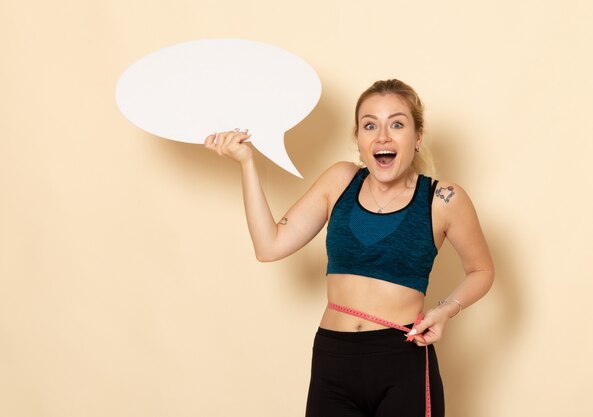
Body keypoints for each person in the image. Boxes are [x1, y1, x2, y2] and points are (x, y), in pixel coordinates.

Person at [203, 79, 494, 417]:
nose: (382, 136)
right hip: (334, 360)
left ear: (417, 136)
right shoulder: (339, 181)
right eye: (369, 125)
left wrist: (445, 310)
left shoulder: (442, 199)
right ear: (358, 138)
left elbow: (482, 270)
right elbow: (269, 246)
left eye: (396, 124)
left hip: (401, 360)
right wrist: (247, 163)